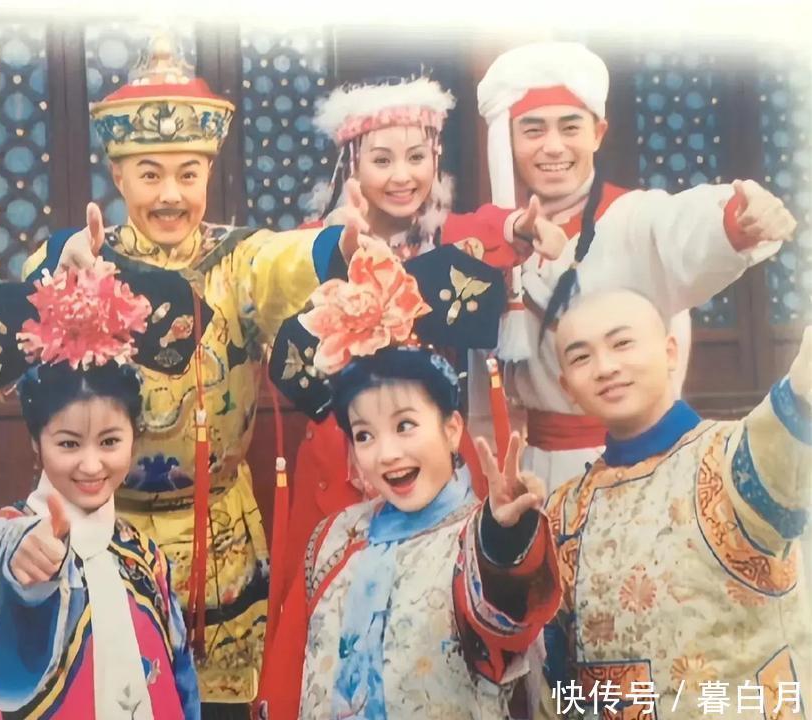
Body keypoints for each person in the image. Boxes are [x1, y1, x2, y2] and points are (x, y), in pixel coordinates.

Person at [0, 34, 373, 713]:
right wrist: (66, 265)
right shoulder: (87, 257)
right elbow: (26, 290)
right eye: (149, 175)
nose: (170, 195)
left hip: (219, 529)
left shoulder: (239, 260)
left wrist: (338, 244)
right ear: (117, 177)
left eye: (187, 174)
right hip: (104, 522)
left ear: (208, 173)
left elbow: (289, 261)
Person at [277, 75, 569, 603]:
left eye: (416, 157)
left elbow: (493, 227)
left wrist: (522, 228)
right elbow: (288, 271)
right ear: (352, 165)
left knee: (437, 590)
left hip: (429, 439)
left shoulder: (445, 236)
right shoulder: (316, 241)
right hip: (345, 445)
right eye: (381, 160)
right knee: (331, 588)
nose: (402, 176)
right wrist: (340, 246)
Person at [255, 242, 559, 719]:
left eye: (405, 425)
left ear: (452, 429)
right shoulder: (333, 538)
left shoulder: (474, 541)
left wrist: (504, 538)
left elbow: (508, 615)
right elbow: (289, 672)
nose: (387, 453)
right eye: (364, 435)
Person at [472, 40, 798, 484]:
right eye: (533, 130)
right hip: (537, 469)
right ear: (509, 139)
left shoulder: (632, 216)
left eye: (570, 127)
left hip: (641, 461)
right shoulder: (496, 240)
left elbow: (684, 224)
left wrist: (737, 219)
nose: (553, 147)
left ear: (598, 133)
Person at [0, 258, 207, 718]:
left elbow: (181, 682)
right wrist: (23, 558)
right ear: (36, 442)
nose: (91, 465)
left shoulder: (144, 555)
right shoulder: (3, 534)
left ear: (135, 437)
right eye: (68, 443)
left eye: (110, 442)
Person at [540, 288, 810, 719]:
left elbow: (790, 427)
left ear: (670, 352)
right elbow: (556, 676)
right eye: (581, 357)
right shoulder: (564, 511)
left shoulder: (731, 457)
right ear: (567, 387)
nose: (605, 367)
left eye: (621, 343)